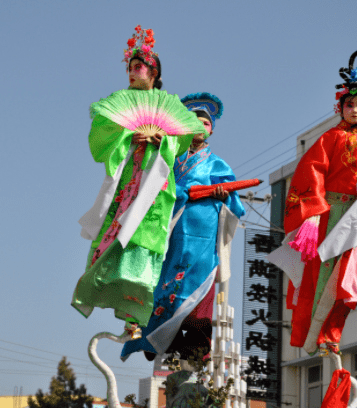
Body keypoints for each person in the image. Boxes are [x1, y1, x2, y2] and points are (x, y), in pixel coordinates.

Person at [73, 26, 207, 331]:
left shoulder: (169, 105)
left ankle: (136, 313)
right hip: (128, 177)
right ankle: (107, 293)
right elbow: (103, 137)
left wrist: (162, 139)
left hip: (155, 184)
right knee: (118, 231)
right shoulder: (121, 100)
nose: (132, 73)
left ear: (153, 71)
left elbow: (186, 136)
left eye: (138, 67)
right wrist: (130, 135)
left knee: (146, 239)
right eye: (130, 68)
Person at [272, 48, 357, 355]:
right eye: (350, 104)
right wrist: (314, 209)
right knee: (320, 272)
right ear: (340, 107)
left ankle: (331, 334)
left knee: (347, 276)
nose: (355, 110)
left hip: (353, 215)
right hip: (327, 212)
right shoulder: (329, 139)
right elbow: (310, 170)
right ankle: (312, 333)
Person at [121, 93, 245, 361]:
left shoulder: (217, 164)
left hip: (205, 231)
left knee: (201, 284)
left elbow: (235, 202)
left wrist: (224, 195)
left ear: (211, 130)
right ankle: (161, 338)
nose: (199, 127)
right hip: (173, 228)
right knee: (165, 281)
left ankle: (199, 344)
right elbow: (151, 183)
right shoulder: (170, 156)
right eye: (193, 121)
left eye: (205, 123)